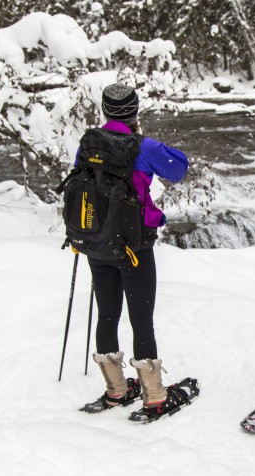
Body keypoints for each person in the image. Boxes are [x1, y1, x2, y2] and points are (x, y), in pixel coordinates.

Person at [79, 83, 191, 422]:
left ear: (104, 110)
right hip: (133, 245)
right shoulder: (143, 147)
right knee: (141, 320)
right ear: (135, 110)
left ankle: (116, 390)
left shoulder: (89, 142)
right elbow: (179, 169)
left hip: (97, 242)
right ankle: (154, 397)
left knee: (107, 315)